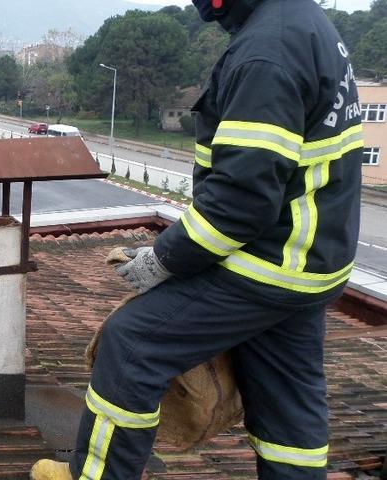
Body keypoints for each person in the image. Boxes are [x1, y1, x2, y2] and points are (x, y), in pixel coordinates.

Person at [31, 0, 363, 478]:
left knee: (132, 344)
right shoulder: (302, 21)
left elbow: (239, 204)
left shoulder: (266, 52)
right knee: (289, 405)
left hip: (265, 263)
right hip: (312, 265)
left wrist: (163, 260)